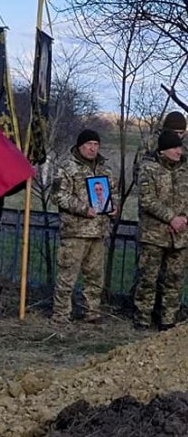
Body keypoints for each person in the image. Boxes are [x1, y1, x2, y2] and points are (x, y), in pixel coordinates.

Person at [51, 129, 117, 326]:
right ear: (80, 146)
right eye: (89, 144)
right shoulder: (66, 168)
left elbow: (113, 192)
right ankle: (61, 314)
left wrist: (114, 206)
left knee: (95, 276)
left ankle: (91, 311)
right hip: (75, 232)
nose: (92, 148)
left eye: (96, 144)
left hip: (98, 231)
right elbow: (58, 196)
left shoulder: (105, 170)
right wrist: (83, 208)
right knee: (67, 275)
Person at [134, 130, 188, 331]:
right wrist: (170, 218)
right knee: (148, 279)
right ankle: (142, 318)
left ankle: (168, 320)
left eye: (180, 147)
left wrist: (183, 219)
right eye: (174, 148)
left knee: (174, 280)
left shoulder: (185, 170)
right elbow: (147, 199)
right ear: (163, 150)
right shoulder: (149, 168)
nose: (179, 151)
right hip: (154, 235)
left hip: (180, 236)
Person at [133, 111, 186, 184]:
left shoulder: (184, 145)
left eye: (181, 133)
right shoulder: (150, 143)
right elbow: (138, 169)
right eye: (175, 132)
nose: (178, 136)